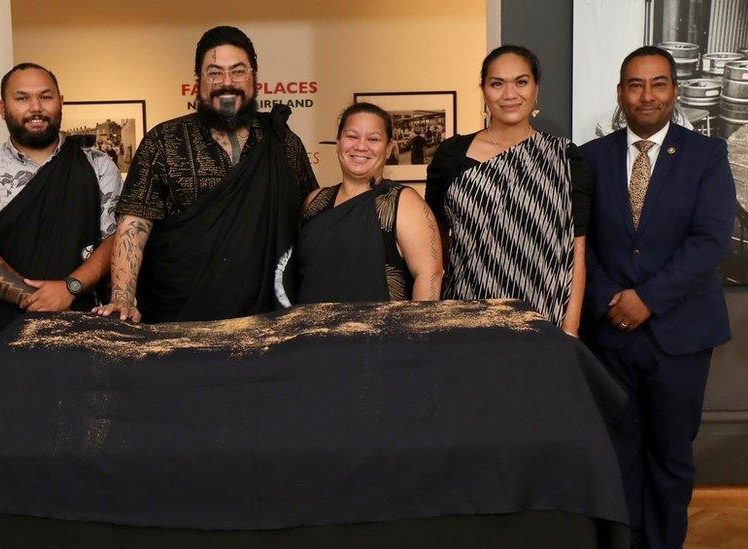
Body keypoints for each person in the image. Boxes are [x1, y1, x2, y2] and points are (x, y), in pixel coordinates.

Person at [580, 46, 735, 549]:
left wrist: (646, 299)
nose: (647, 95)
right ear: (621, 93)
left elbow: (710, 240)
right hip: (610, 335)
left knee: (670, 457)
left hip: (680, 334)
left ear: (674, 90)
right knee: (617, 454)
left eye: (658, 83)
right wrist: (609, 298)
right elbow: (581, 241)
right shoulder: (591, 157)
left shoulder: (706, 155)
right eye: (635, 84)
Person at [97, 26, 318, 323]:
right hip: (179, 319)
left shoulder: (284, 143)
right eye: (214, 73)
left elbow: (310, 217)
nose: (227, 83)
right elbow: (134, 225)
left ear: (254, 78)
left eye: (238, 71)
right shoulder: (164, 141)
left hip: (267, 322)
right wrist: (122, 297)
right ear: (198, 82)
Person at [0, 63, 121, 353]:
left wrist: (69, 289)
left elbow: (114, 240)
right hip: (4, 333)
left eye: (45, 96)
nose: (36, 107)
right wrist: (39, 300)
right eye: (22, 98)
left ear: (60, 102)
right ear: (2, 108)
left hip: (85, 331)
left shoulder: (98, 165)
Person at [425, 45, 591, 335]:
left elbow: (577, 250)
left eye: (521, 82)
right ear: (484, 90)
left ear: (536, 88)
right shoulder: (450, 156)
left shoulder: (565, 158)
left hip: (543, 316)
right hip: (467, 313)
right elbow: (435, 243)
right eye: (497, 83)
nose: (509, 94)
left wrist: (570, 329)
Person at [290, 103, 442, 303]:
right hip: (309, 330)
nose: (361, 146)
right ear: (338, 143)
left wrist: (416, 334)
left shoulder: (404, 202)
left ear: (389, 149)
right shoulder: (315, 201)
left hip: (380, 332)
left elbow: (429, 275)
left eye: (373, 139)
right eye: (352, 136)